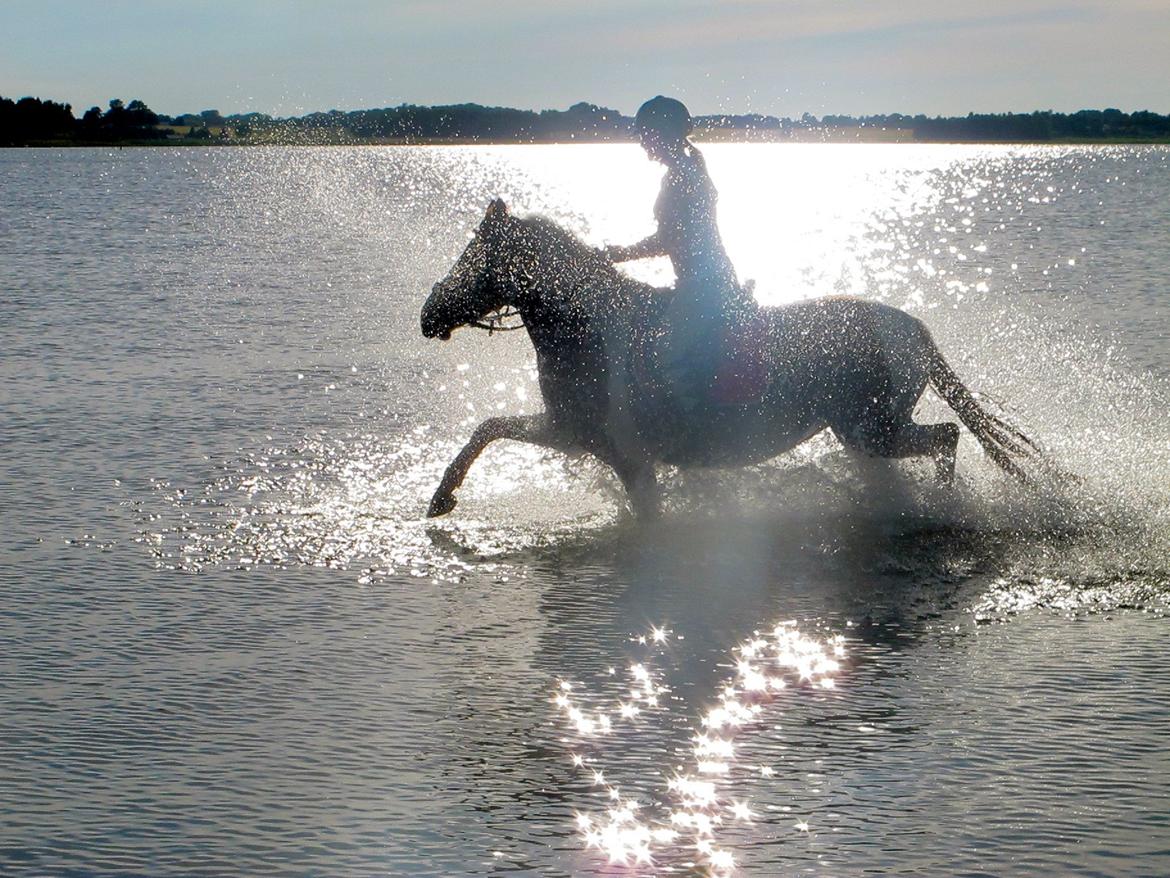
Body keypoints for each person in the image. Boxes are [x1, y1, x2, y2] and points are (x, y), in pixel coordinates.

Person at [602, 96, 757, 411]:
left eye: (645, 134)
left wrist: (620, 254)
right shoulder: (686, 168)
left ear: (662, 133)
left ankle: (692, 424)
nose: (642, 142)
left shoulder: (682, 175)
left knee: (664, 353)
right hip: (698, 282)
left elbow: (669, 240)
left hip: (704, 286)